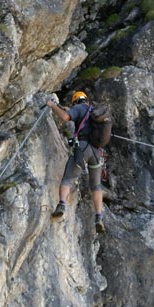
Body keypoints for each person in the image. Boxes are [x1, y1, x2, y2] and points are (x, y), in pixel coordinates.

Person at [46, 91, 105, 234]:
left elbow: (66, 117)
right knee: (96, 186)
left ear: (75, 101)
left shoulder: (78, 108)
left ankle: (61, 205)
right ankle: (98, 217)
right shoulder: (93, 112)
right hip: (96, 154)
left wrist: (52, 105)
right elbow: (73, 115)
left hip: (83, 150)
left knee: (67, 179)